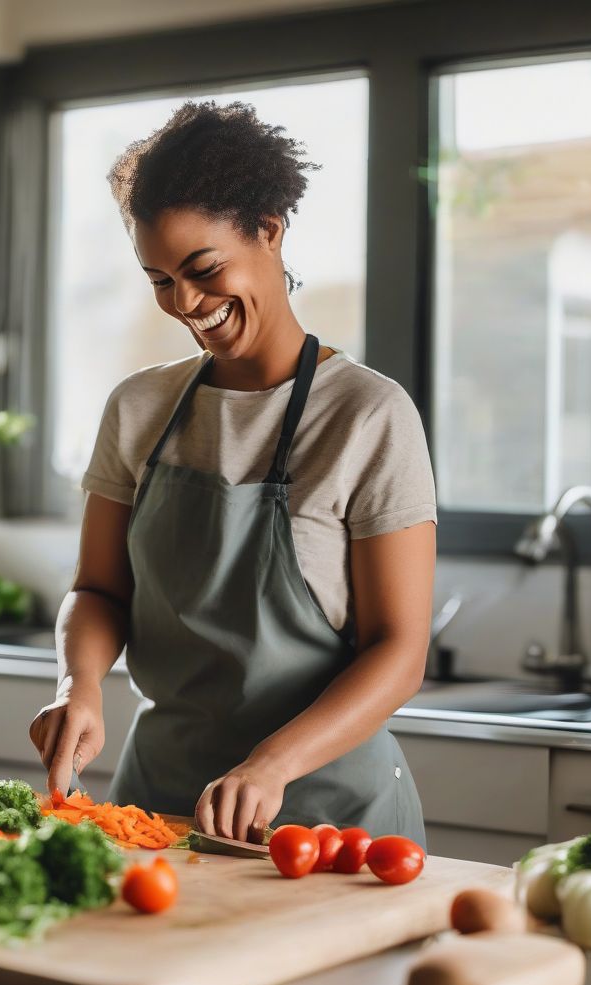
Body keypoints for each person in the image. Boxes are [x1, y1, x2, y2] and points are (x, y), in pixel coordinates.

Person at [29, 100, 435, 846]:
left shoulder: (368, 417)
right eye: (159, 279)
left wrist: (272, 764)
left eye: (204, 269)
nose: (186, 304)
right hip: (157, 807)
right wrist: (78, 685)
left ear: (270, 231)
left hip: (326, 819)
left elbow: (399, 651)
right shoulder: (138, 408)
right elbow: (97, 590)